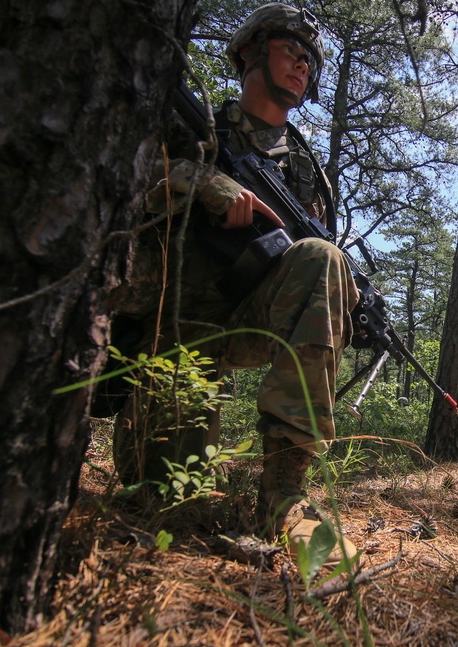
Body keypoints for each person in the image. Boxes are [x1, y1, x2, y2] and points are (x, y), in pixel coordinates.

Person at [106, 3, 357, 564]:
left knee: (322, 256)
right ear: (250, 52)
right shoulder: (195, 129)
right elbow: (123, 178)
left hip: (247, 318)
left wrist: (348, 303)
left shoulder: (307, 174)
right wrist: (200, 181)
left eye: (310, 59)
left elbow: (311, 272)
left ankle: (285, 491)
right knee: (168, 504)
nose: (303, 64)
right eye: (291, 49)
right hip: (175, 330)